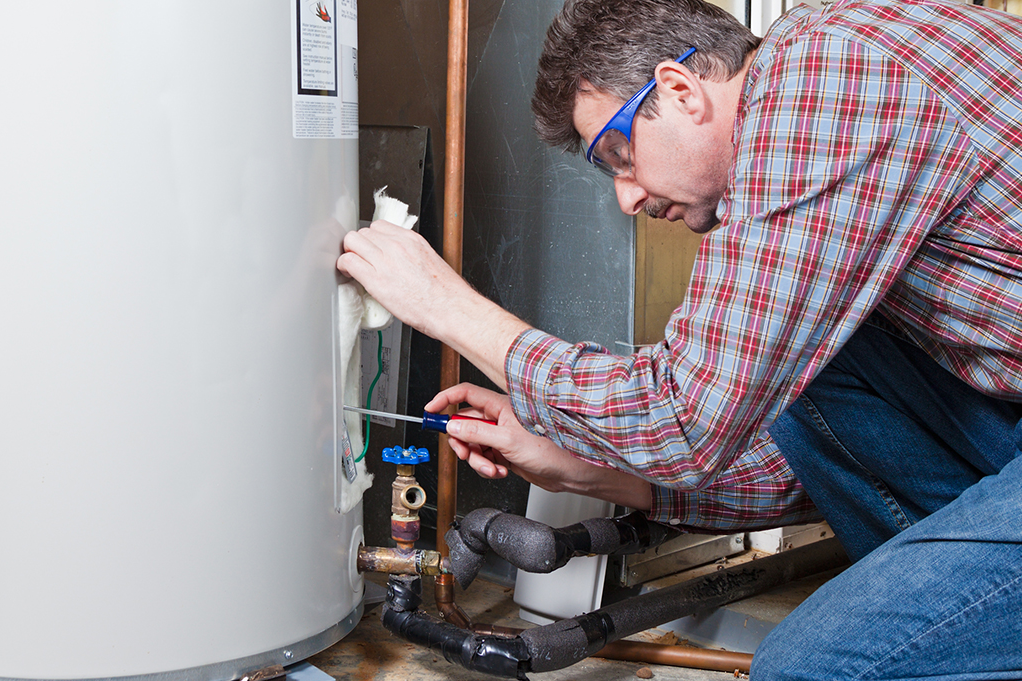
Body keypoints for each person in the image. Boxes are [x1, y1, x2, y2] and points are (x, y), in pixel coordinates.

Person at [339, 0, 1022, 675]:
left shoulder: (826, 81)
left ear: (679, 90)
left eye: (616, 152)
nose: (626, 198)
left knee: (810, 668)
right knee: (801, 375)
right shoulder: (821, 74)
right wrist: (586, 468)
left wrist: (449, 307)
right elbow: (821, 459)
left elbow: (686, 417)